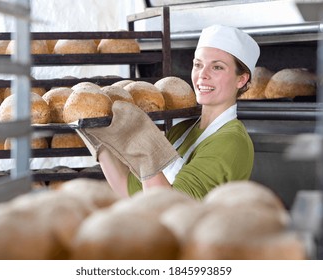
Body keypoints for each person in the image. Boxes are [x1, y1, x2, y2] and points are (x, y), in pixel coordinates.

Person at [80, 24, 260, 200]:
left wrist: (146, 146)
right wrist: (97, 137)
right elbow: (130, 192)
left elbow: (171, 209)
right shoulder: (182, 129)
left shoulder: (231, 141)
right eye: (198, 65)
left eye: (217, 67)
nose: (202, 75)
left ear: (241, 80)